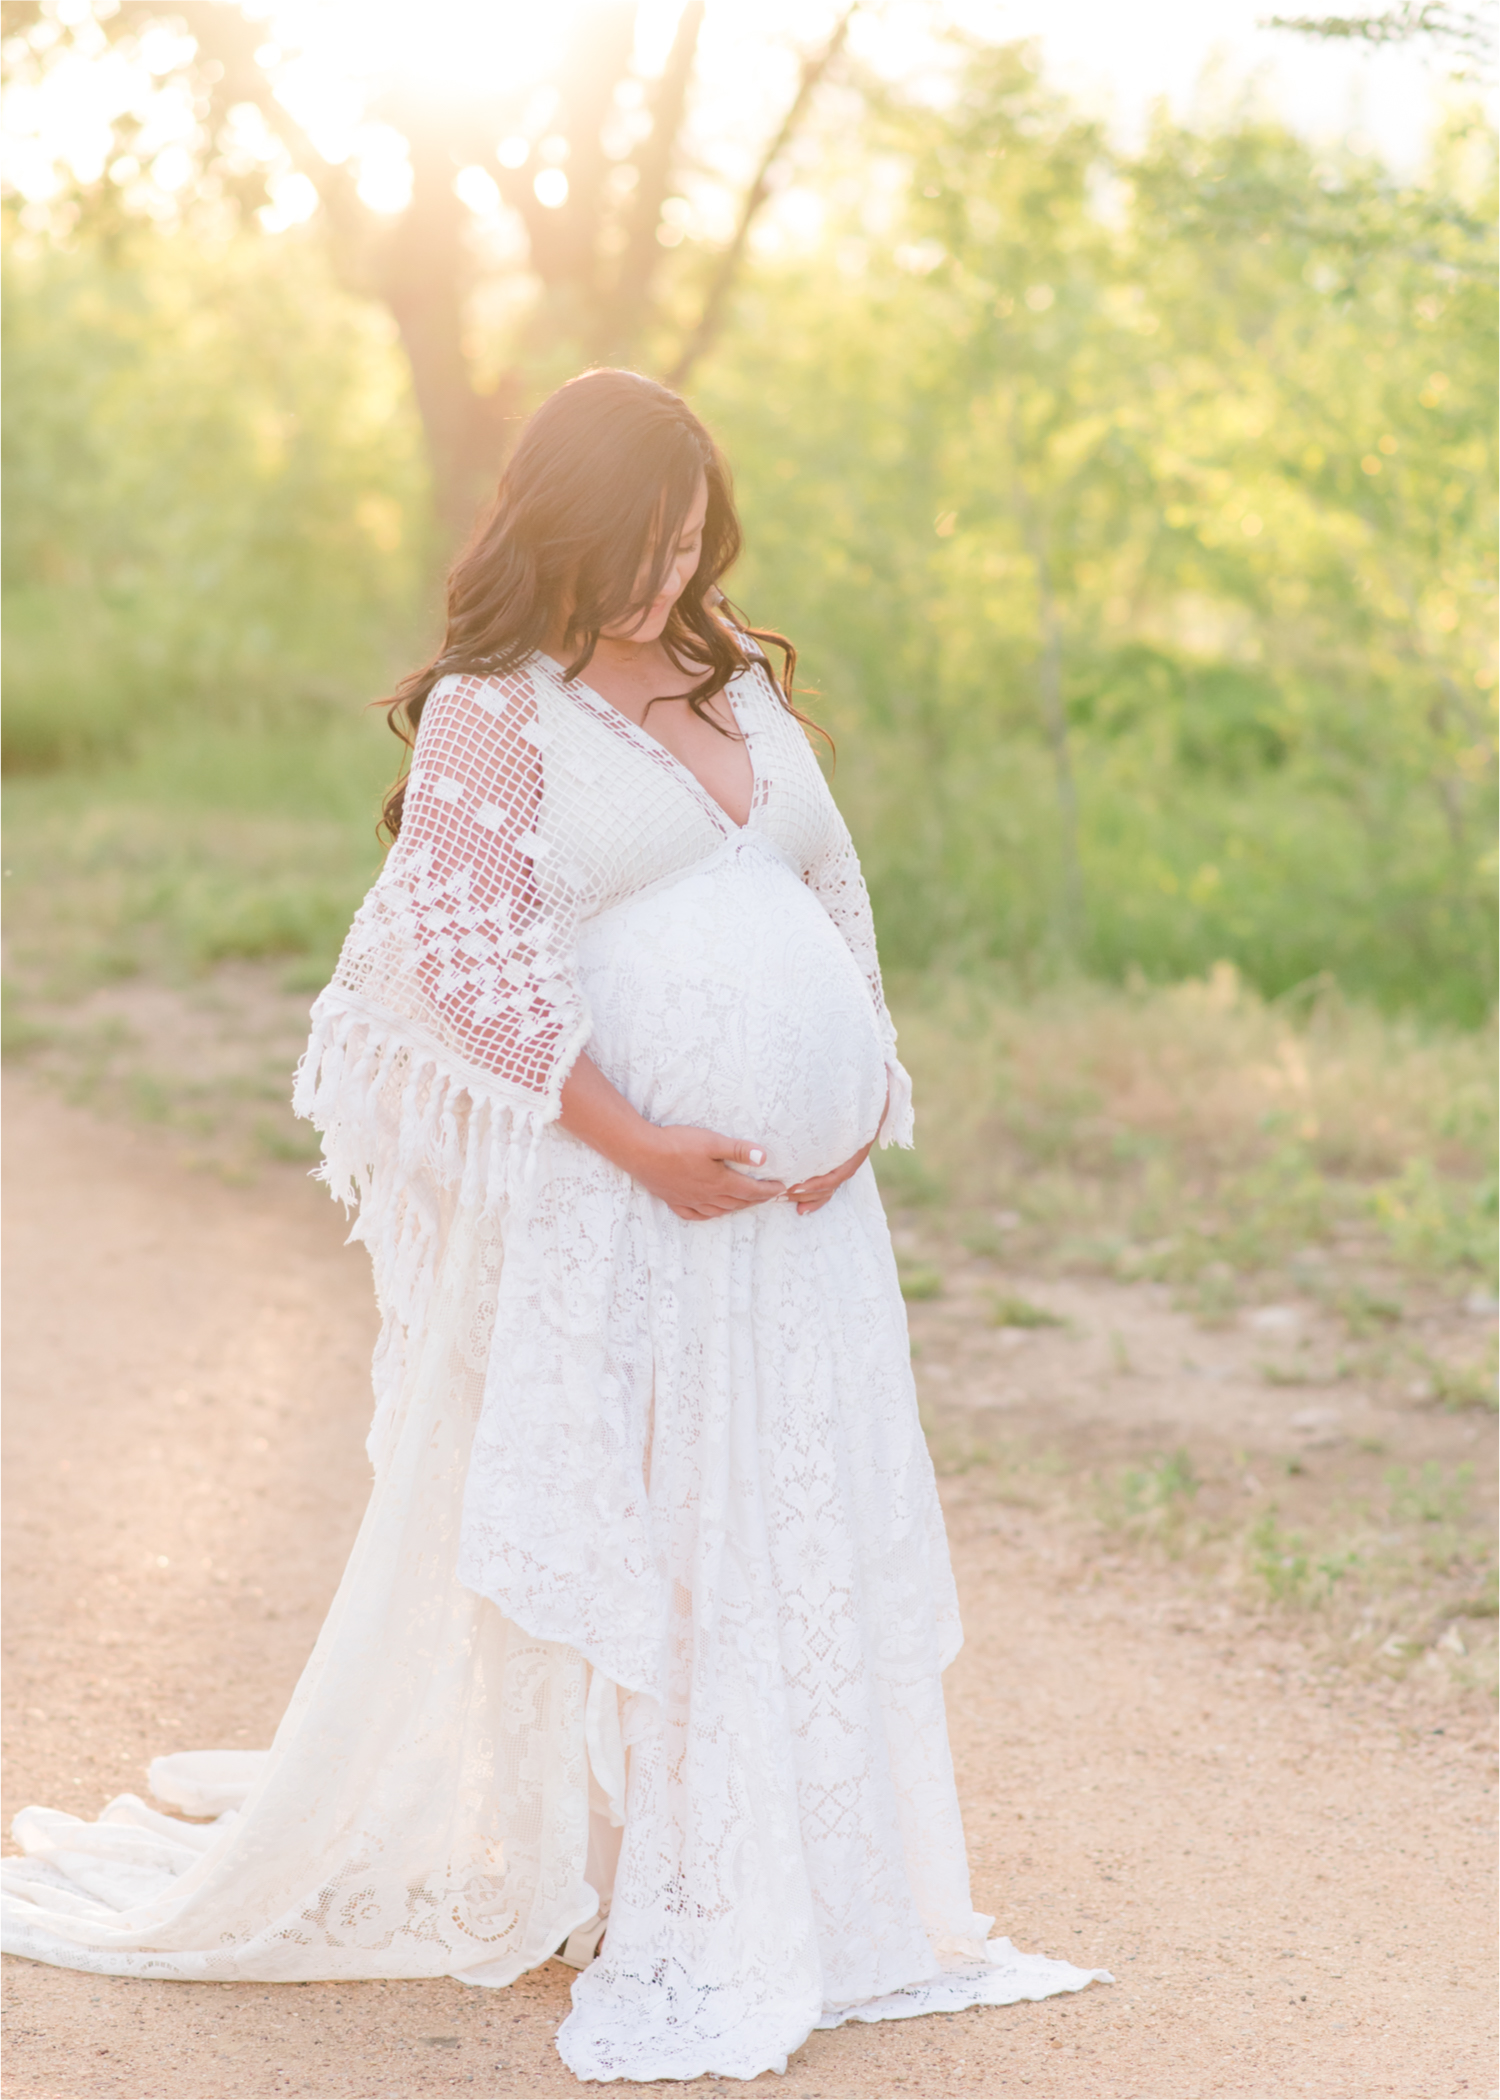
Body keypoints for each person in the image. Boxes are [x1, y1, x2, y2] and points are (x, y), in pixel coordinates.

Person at [2, 369, 1108, 2081]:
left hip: (800, 1224)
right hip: (630, 1203)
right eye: (638, 546)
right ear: (563, 531)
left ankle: (816, 1879)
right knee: (662, 1525)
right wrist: (639, 1140)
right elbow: (466, 958)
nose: (668, 577)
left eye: (690, 542)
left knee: (790, 1517)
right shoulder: (495, 713)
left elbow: (827, 883)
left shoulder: (739, 683)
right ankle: (658, 1877)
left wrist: (864, 1085)